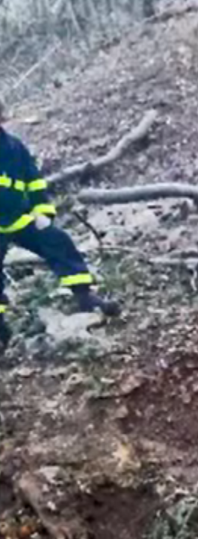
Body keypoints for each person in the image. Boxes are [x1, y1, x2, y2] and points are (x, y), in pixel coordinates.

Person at [0, 100, 119, 352]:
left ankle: (84, 296)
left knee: (58, 241)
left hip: (19, 218)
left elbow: (33, 181)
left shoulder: (14, 147)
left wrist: (41, 212)